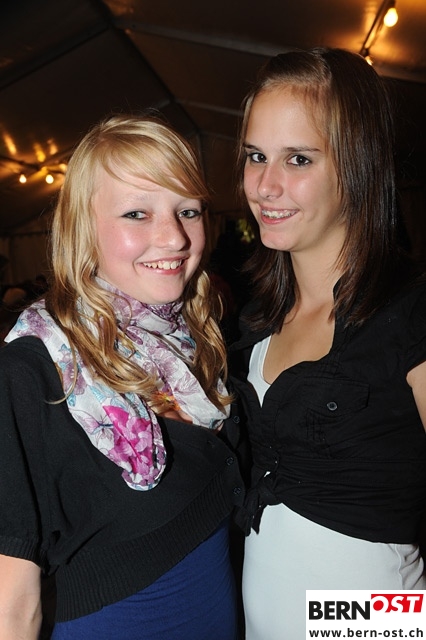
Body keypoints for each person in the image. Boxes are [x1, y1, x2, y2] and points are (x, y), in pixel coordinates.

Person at [0, 114, 244, 639]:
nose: (174, 237)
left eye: (188, 210)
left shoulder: (193, 343)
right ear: (82, 229)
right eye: (137, 213)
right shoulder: (32, 372)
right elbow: (11, 608)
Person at [230, 47, 426, 639]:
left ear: (358, 163)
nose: (266, 186)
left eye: (298, 159)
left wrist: (370, 625)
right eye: (256, 156)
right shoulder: (256, 320)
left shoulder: (409, 312)